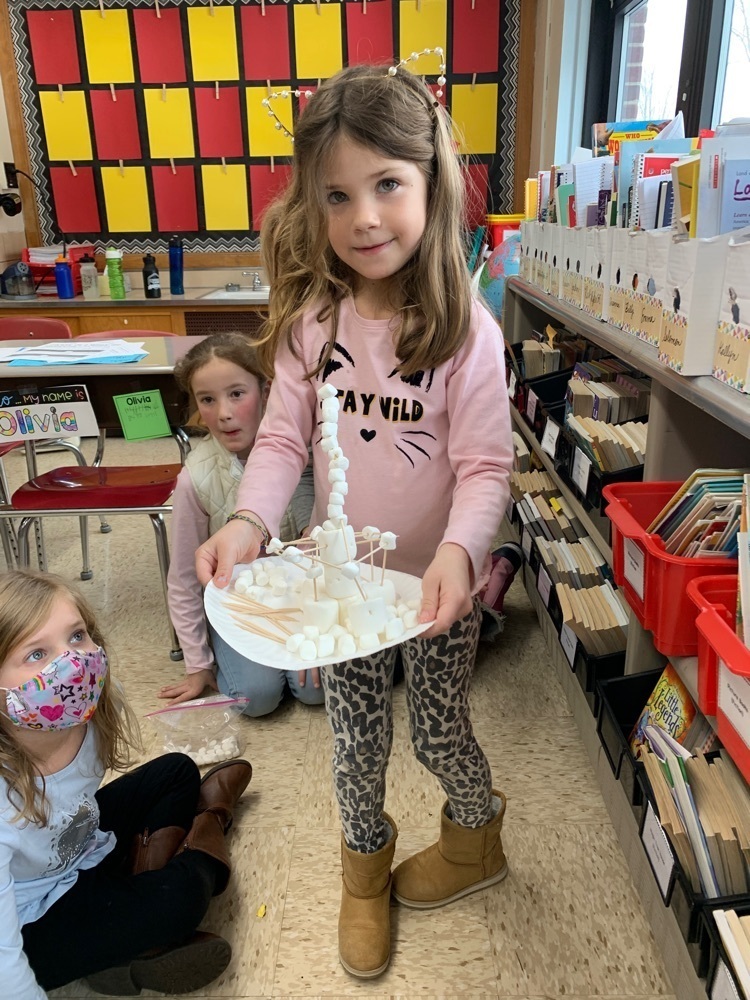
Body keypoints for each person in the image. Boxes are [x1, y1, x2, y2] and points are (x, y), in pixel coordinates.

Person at [195, 59, 513, 979]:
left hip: (430, 589)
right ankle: (363, 873)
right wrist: (251, 523)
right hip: (341, 590)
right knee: (355, 739)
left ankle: (472, 842)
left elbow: (487, 465)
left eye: (387, 185)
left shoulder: (466, 331)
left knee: (439, 728)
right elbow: (284, 440)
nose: (364, 217)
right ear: (312, 206)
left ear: (430, 183)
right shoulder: (311, 322)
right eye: (338, 195)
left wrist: (460, 550)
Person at [0, 570, 252, 997]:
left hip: (80, 843)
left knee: (177, 770)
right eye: (37, 654)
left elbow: (79, 802)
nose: (71, 664)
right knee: (182, 899)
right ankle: (208, 826)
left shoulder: (90, 709)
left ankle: (124, 937)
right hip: (31, 920)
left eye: (77, 636)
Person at [158, 332, 325, 716]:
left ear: (267, 392)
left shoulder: (309, 458)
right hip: (240, 606)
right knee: (256, 698)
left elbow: (322, 556)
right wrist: (198, 664)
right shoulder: (195, 479)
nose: (224, 413)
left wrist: (324, 634)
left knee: (314, 691)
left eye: (237, 394)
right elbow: (184, 577)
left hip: (301, 601)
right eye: (207, 400)